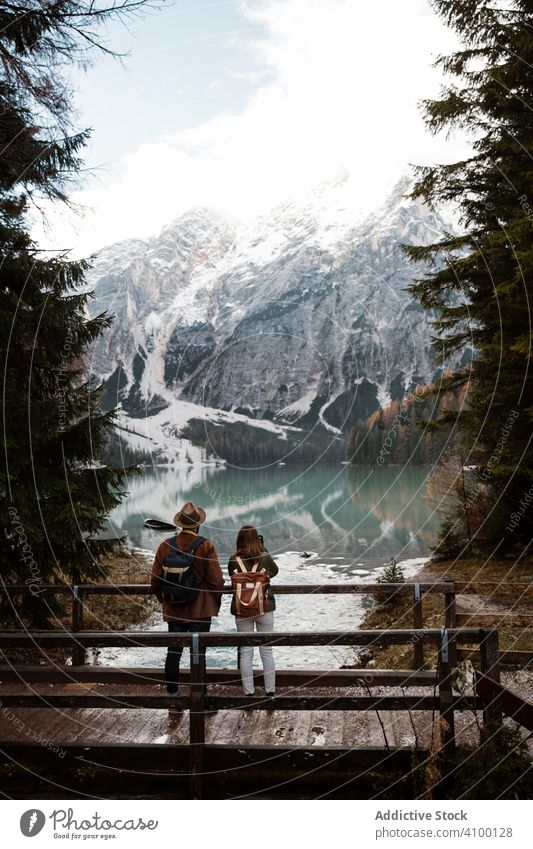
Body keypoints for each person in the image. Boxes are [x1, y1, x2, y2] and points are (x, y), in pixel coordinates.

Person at [151, 501, 224, 696]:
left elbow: (155, 581)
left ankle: (173, 696)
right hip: (200, 611)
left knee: (173, 653)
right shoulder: (206, 546)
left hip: (174, 609)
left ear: (181, 524)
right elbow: (216, 581)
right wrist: (215, 601)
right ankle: (200, 697)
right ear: (198, 525)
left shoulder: (165, 546)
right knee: (198, 654)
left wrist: (166, 600)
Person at [228, 525, 278, 697]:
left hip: (242, 610)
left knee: (246, 653)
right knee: (267, 651)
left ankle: (248, 693)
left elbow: (231, 575)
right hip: (264, 608)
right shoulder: (263, 556)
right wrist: (263, 548)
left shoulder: (234, 559)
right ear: (257, 539)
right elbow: (275, 571)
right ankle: (270, 692)